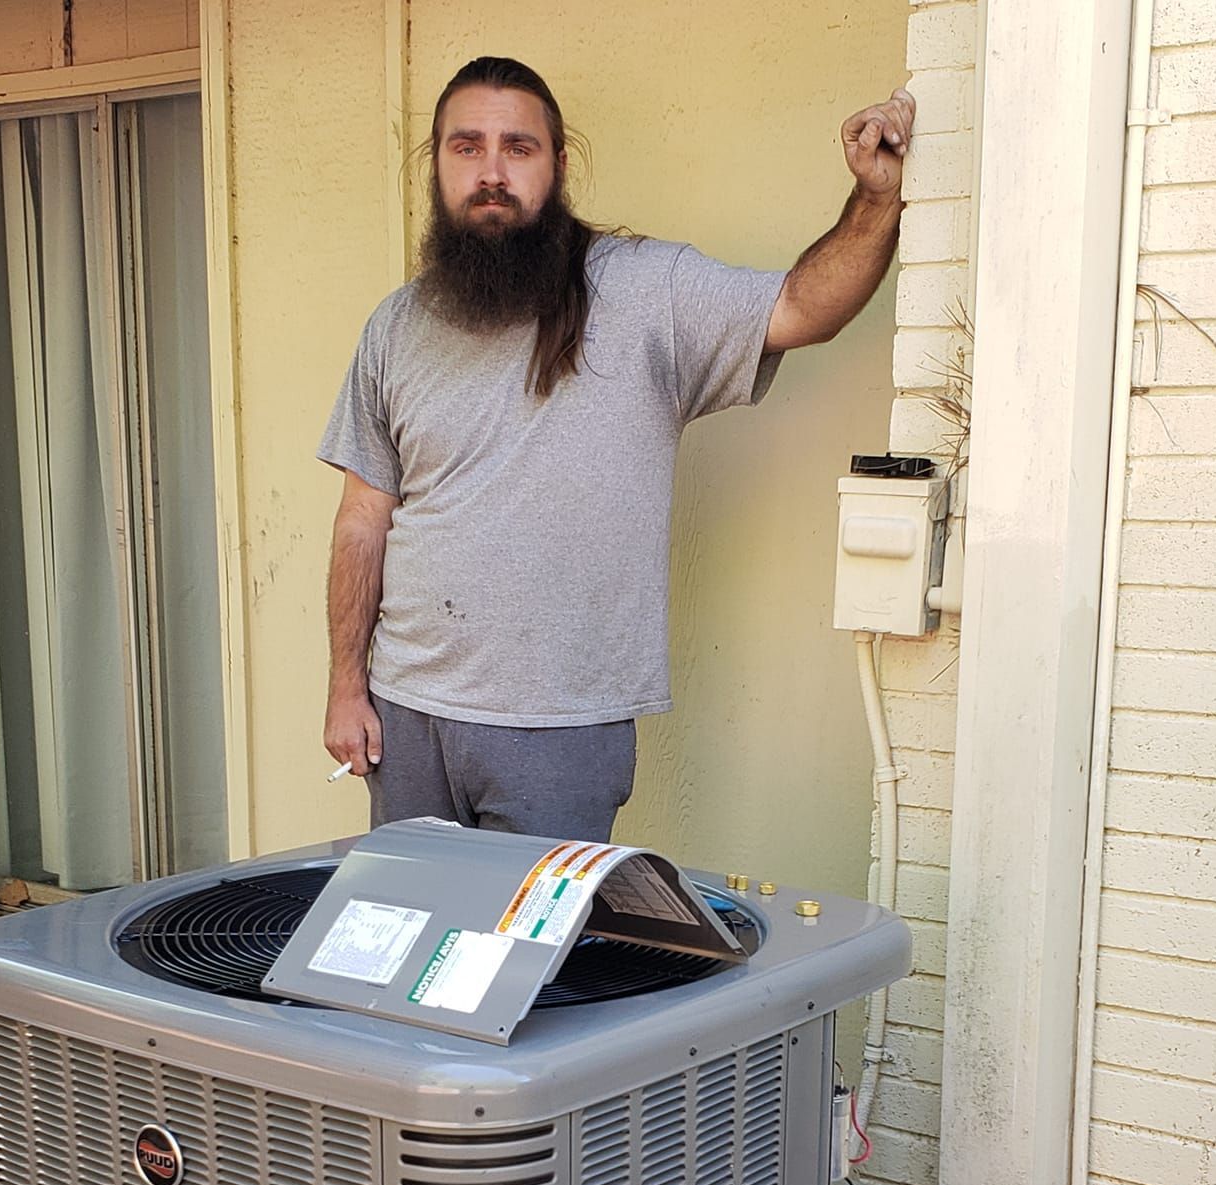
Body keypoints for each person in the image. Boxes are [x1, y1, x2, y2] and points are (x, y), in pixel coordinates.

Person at [320, 54, 913, 841]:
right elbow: (363, 518)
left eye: (518, 148)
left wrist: (877, 196)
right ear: (437, 165)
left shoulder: (644, 292)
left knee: (541, 958)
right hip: (406, 713)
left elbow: (806, 307)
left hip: (561, 728)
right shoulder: (396, 326)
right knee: (414, 943)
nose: (491, 171)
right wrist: (345, 687)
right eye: (467, 148)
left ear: (559, 165)